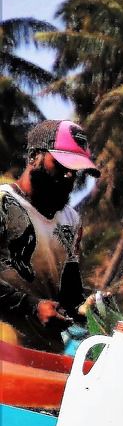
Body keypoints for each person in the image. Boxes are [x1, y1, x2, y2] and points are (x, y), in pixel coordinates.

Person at [0, 120, 96, 350]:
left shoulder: (71, 221)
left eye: (75, 170)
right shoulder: (4, 203)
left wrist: (89, 306)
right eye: (61, 166)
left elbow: (69, 294)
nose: (69, 177)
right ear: (34, 156)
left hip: (47, 349)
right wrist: (31, 307)